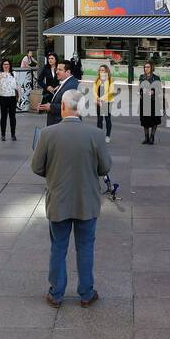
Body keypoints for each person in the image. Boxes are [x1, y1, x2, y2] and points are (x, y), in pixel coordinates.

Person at [31, 89, 112, 308]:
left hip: (58, 199)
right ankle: (86, 293)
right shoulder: (95, 134)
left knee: (58, 246)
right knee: (85, 247)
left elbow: (36, 167)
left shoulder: (48, 133)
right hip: (87, 201)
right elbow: (104, 167)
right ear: (81, 108)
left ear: (64, 107)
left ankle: (56, 293)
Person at [43, 59, 79, 127]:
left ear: (68, 72)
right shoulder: (67, 82)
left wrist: (51, 107)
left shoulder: (71, 85)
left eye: (60, 70)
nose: (56, 72)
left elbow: (70, 107)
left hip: (63, 126)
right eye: (57, 69)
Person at [138, 61, 162, 144]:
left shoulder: (156, 78)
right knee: (145, 120)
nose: (146, 69)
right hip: (144, 101)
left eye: (148, 67)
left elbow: (159, 89)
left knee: (154, 120)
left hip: (153, 101)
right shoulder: (141, 77)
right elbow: (139, 88)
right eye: (145, 67)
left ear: (151, 68)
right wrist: (141, 92)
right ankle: (146, 137)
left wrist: (153, 92)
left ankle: (152, 137)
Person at [92, 64, 116, 143]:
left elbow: (111, 92)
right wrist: (98, 99)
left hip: (107, 102)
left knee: (107, 119)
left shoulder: (110, 80)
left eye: (102, 70)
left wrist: (101, 99)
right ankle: (99, 136)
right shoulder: (97, 80)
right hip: (98, 102)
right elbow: (94, 91)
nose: (101, 71)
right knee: (99, 119)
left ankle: (108, 136)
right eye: (100, 70)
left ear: (106, 71)